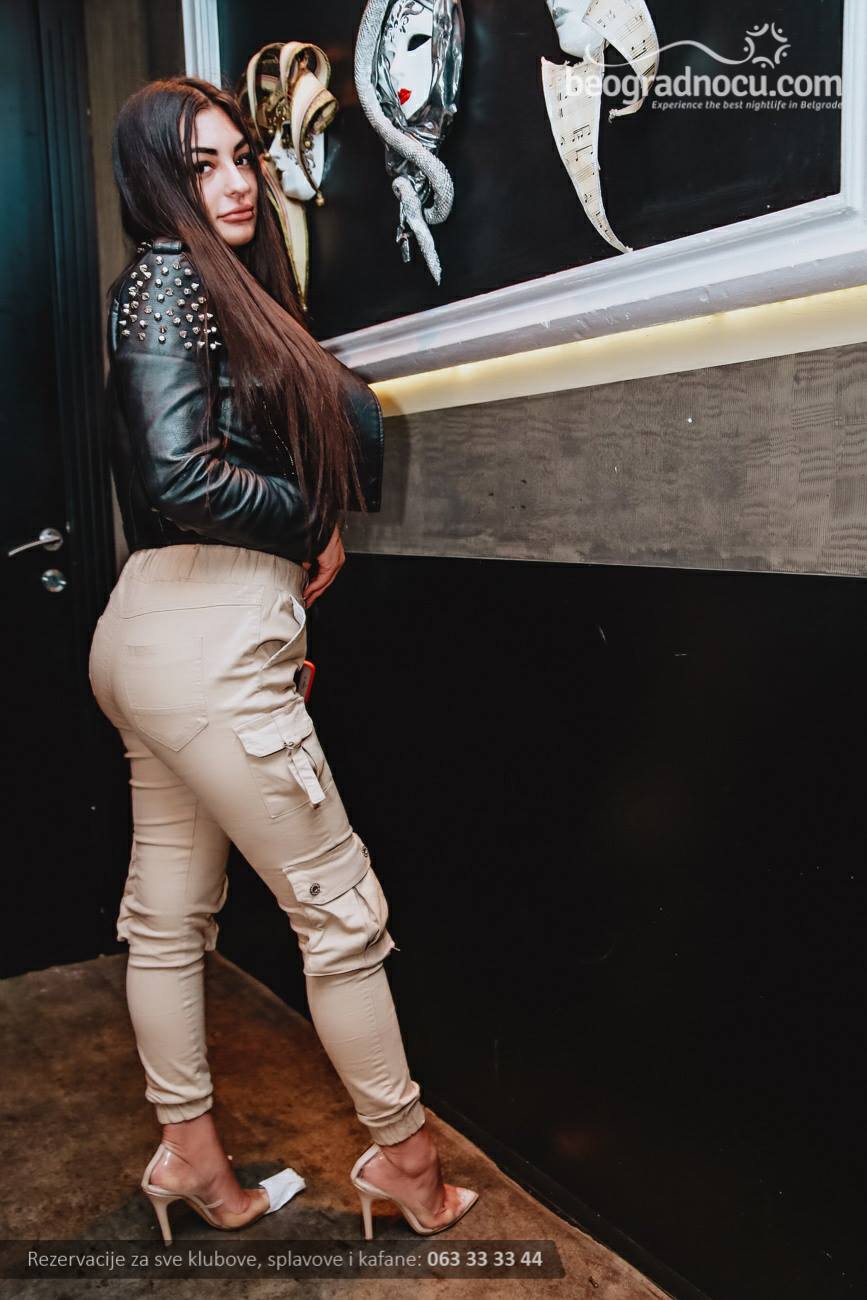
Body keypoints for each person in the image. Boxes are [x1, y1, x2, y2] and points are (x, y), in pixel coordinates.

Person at [88, 75, 478, 1243]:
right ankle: (407, 1163)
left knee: (167, 918)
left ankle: (193, 1159)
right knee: (340, 913)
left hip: (159, 631)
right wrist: (308, 521)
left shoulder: (200, 287)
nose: (234, 181)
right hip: (204, 638)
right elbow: (179, 473)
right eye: (200, 164)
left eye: (240, 156)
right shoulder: (172, 279)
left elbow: (198, 464)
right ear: (156, 182)